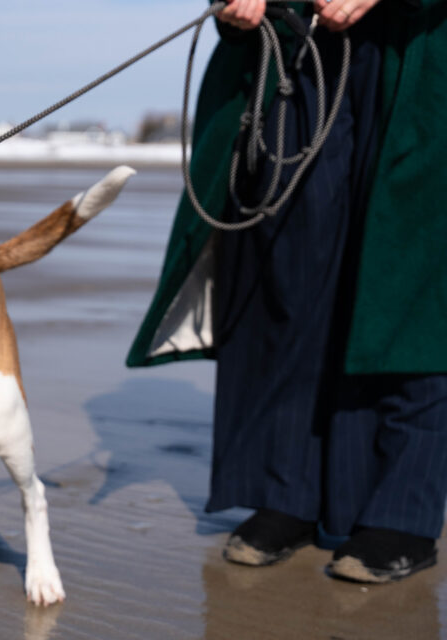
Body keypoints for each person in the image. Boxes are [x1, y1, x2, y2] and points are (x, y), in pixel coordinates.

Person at [127, 0, 447, 582]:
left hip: (421, 46)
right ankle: (285, 491)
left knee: (403, 282)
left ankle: (400, 511)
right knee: (284, 277)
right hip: (294, 48)